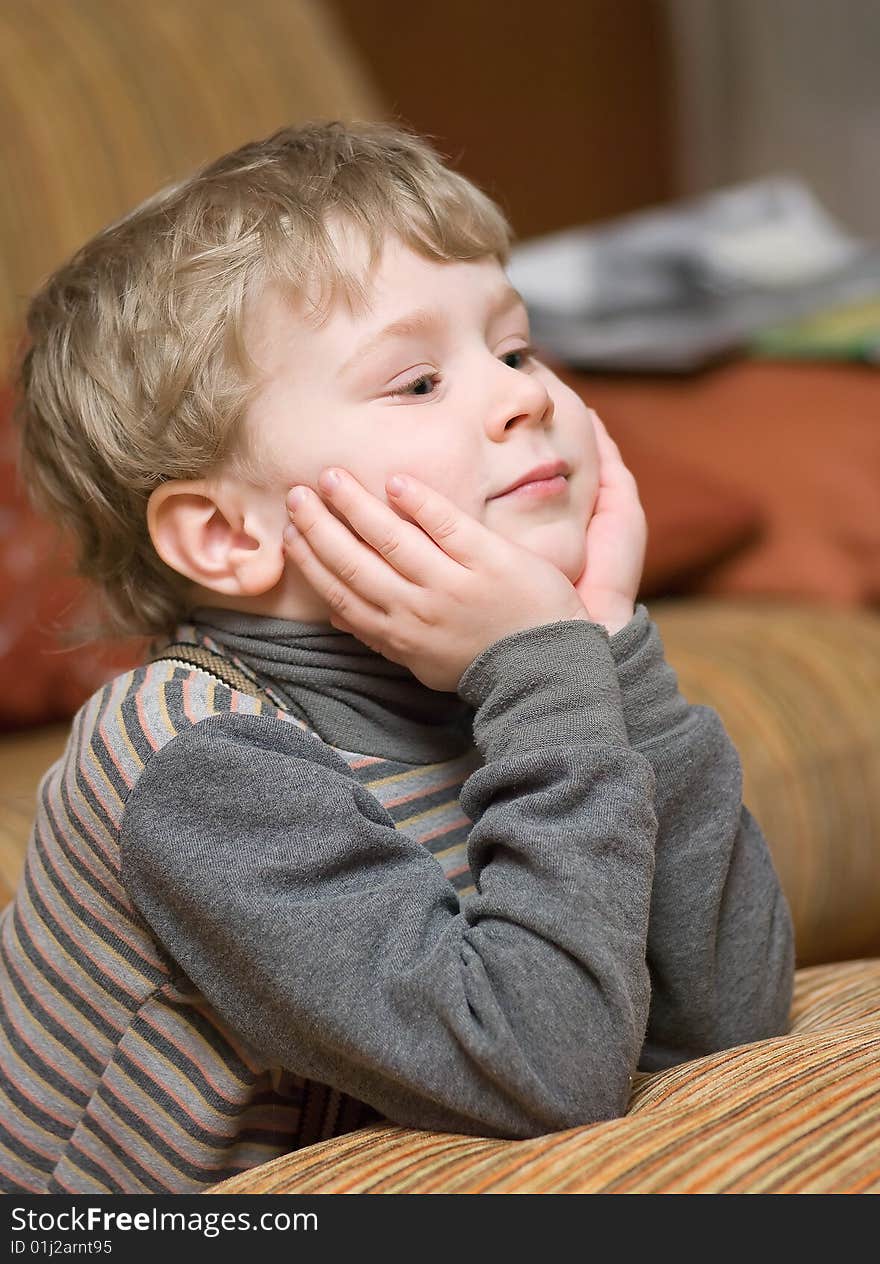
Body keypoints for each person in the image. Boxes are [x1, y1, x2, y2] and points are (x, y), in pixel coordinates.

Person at [0, 120, 794, 1195]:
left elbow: (727, 1016)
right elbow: (543, 1071)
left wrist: (609, 648)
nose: (529, 394)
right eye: (416, 382)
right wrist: (545, 678)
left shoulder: (507, 680)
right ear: (230, 536)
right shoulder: (194, 758)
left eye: (513, 348)